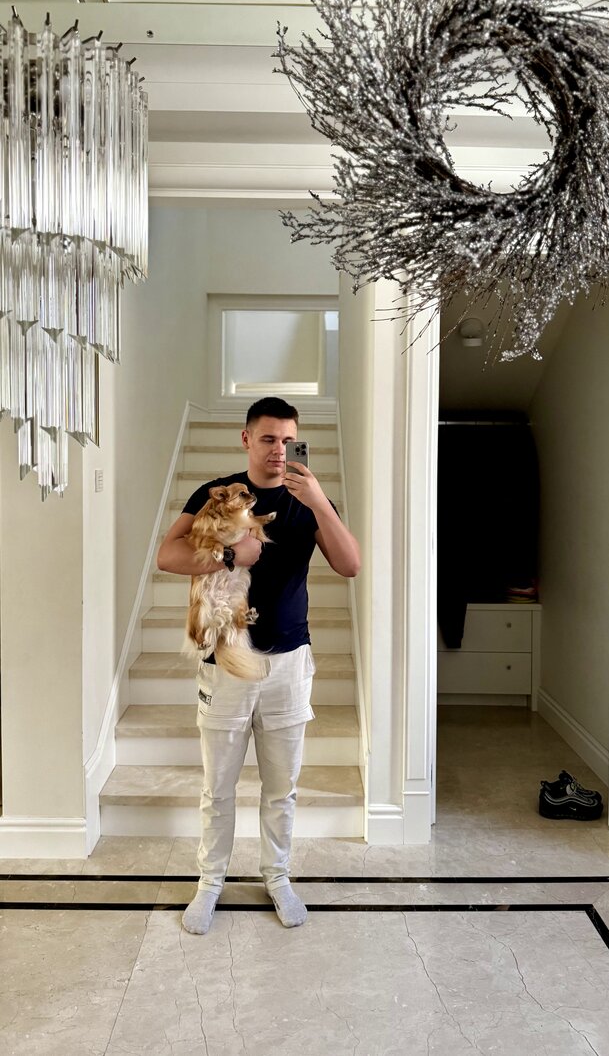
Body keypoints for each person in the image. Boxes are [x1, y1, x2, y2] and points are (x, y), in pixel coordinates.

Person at [156, 397, 360, 935]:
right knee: (218, 787)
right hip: (225, 658)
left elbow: (350, 564)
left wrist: (319, 501)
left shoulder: (308, 501)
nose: (279, 450)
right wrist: (228, 556)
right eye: (269, 438)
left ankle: (278, 877)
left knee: (281, 787)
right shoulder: (214, 493)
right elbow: (167, 555)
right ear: (247, 439)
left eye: (288, 440)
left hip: (289, 662)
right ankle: (210, 883)